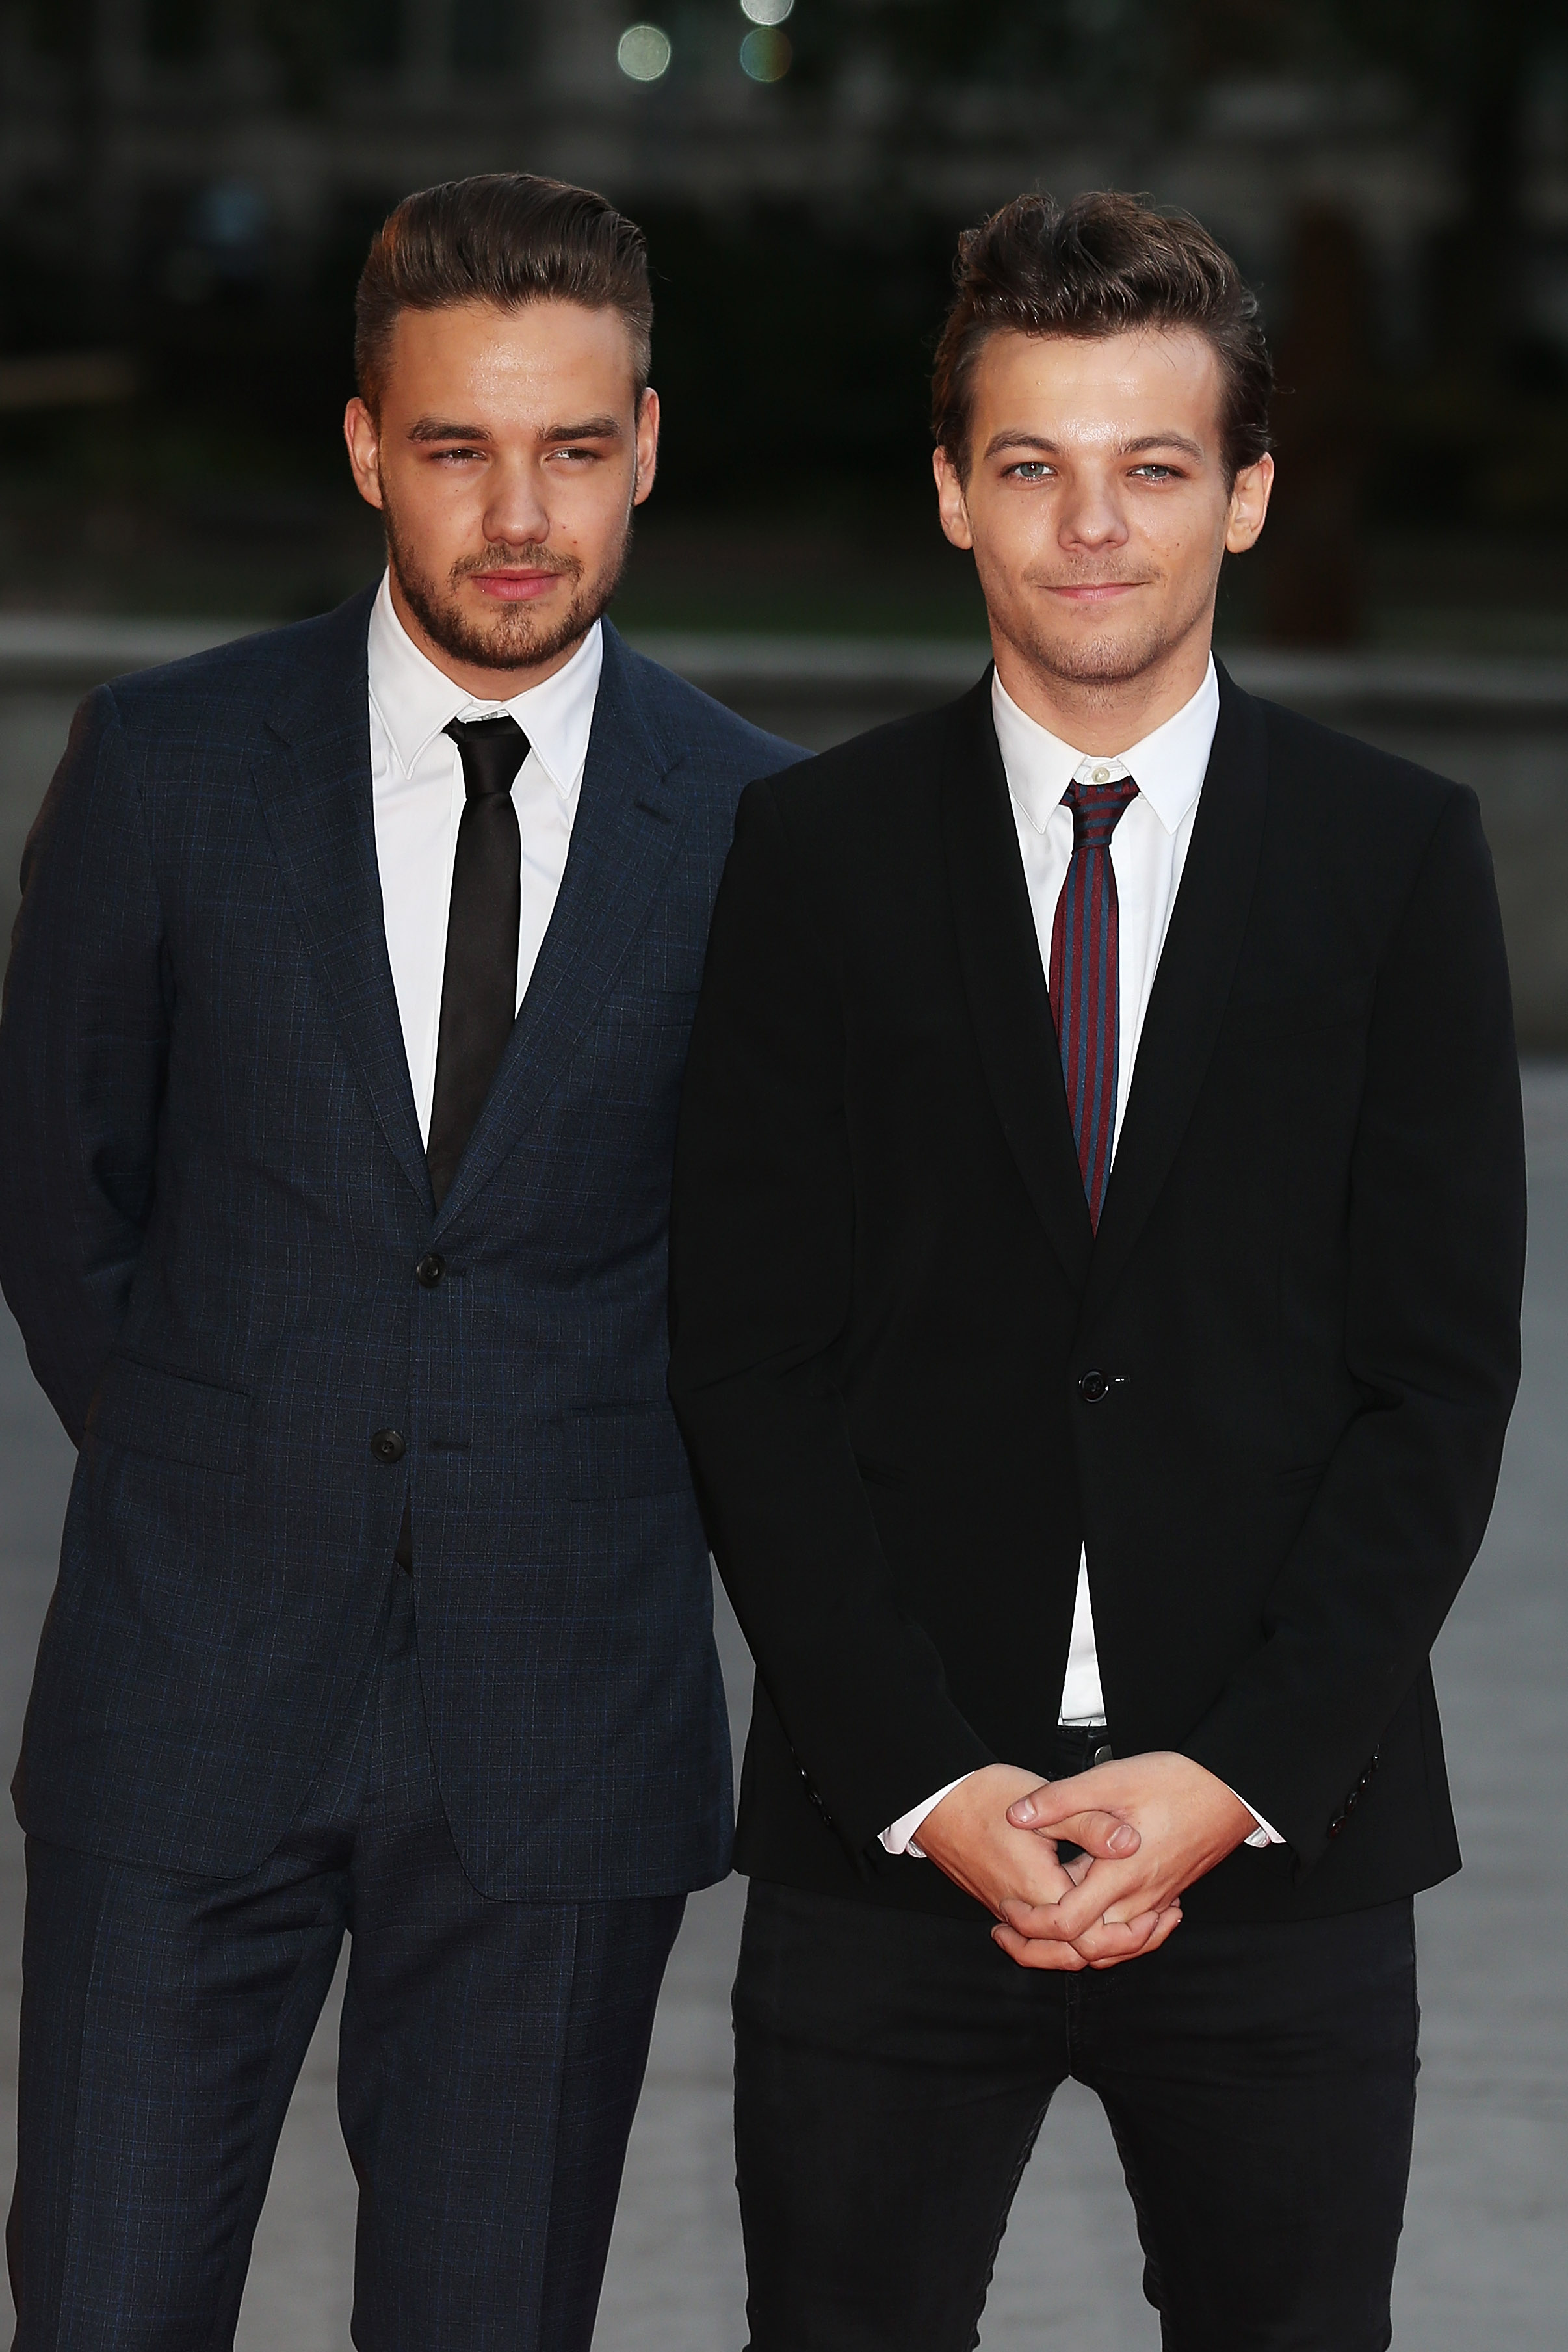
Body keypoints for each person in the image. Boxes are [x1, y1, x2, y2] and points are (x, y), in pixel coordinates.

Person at [668, 189, 1526, 2351]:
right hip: (889, 1835)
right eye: (1031, 464)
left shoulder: (1393, 857)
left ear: (1241, 491)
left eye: (1152, 466)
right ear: (952, 487)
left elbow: (1434, 1383)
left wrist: (1235, 1770)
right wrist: (927, 1780)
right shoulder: (811, 854)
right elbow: (746, 1361)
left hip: (1277, 1843)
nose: (1091, 528)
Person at [0, 171, 801, 2350]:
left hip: (564, 1737)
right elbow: (60, 1178)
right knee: (93, 2306)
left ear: (646, 441)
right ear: (369, 448)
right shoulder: (165, 764)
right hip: (185, 1702)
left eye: (569, 446)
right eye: (457, 446)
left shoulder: (763, 833)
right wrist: (214, 1442)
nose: (516, 510)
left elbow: (793, 1287)